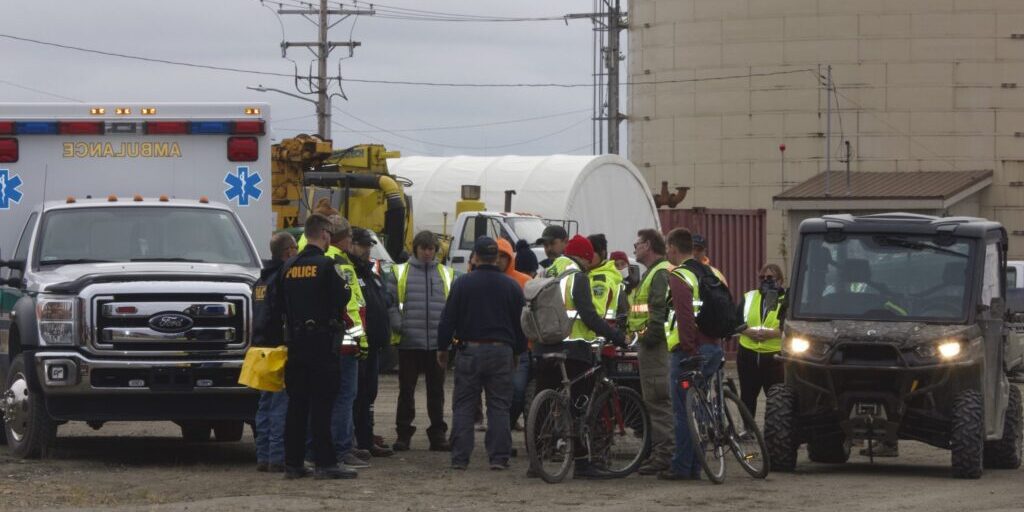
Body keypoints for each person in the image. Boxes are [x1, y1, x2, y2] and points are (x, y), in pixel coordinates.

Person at [262, 213, 354, 480]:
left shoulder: (288, 267)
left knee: (297, 404)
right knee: (323, 404)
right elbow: (342, 297)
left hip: (295, 343)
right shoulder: (327, 265)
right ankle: (326, 463)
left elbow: (274, 305)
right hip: (322, 344)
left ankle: (293, 463)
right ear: (325, 234)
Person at [532, 235, 627, 479]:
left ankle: (536, 461)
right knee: (579, 407)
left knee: (541, 403)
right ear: (584, 257)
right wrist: (615, 336)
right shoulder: (577, 277)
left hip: (544, 347)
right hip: (574, 350)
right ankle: (583, 464)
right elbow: (589, 316)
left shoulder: (544, 272)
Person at [439, 236, 528, 470]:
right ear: (496, 257)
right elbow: (520, 325)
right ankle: (499, 457)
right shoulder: (511, 286)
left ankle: (460, 458)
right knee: (499, 406)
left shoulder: (462, 284)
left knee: (464, 405)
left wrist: (442, 348)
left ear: (475, 257)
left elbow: (448, 319)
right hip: (501, 352)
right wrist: (518, 352)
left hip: (469, 350)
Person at [660, 228, 725, 481]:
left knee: (683, 411)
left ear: (673, 248)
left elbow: (685, 317)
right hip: (713, 347)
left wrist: (688, 349)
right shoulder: (709, 272)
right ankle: (696, 466)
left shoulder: (680, 275)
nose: (667, 253)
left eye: (668, 248)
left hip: (690, 351)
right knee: (697, 407)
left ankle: (682, 468)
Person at [386, 231, 456, 452]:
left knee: (437, 391)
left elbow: (453, 307)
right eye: (424, 248)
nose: (427, 252)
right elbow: (390, 303)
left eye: (431, 248)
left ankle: (438, 435)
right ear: (415, 248)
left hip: (437, 345)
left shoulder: (447, 274)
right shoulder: (399, 272)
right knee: (406, 391)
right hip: (409, 343)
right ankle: (403, 434)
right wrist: (400, 326)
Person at [627, 229, 675, 476]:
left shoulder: (658, 274)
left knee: (658, 400)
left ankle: (664, 455)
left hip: (655, 348)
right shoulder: (653, 273)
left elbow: (658, 314)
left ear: (647, 245)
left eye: (637, 243)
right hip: (652, 345)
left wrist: (646, 339)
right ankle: (662, 452)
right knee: (657, 400)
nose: (634, 248)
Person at [349, 228, 395, 458]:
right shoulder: (350, 272)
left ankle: (366, 440)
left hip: (374, 346)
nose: (367, 250)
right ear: (352, 244)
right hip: (357, 346)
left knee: (369, 395)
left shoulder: (370, 274)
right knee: (355, 396)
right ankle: (354, 442)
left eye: (369, 246)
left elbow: (385, 298)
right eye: (363, 245)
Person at [254, 231, 298, 473]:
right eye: (295, 250)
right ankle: (277, 457)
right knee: (281, 405)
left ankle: (263, 455)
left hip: (260, 350)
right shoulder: (283, 278)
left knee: (264, 405)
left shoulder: (260, 281)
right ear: (288, 252)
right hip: (279, 349)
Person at [736, 264, 787, 417]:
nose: (765, 280)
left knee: (775, 398)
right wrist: (748, 332)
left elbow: (788, 326)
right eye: (762, 278)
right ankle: (747, 429)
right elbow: (736, 321)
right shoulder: (750, 296)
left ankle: (773, 431)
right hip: (748, 354)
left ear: (780, 280)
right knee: (747, 396)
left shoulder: (785, 300)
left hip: (774, 357)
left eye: (770, 278)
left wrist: (769, 334)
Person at [495, 238, 532, 431]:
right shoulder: (483, 279)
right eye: (497, 256)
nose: (500, 260)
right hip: (493, 346)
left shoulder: (525, 282)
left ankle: (505, 426)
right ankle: (499, 430)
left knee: (517, 391)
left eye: (504, 256)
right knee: (495, 394)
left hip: (520, 348)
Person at [588, 234, 624, 328]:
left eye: (591, 252)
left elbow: (596, 313)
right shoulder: (594, 274)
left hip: (599, 334)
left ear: (602, 253)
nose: (587, 255)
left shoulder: (600, 279)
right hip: (606, 330)